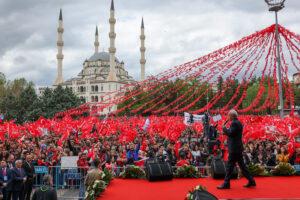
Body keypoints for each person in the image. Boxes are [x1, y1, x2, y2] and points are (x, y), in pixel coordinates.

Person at [217, 110, 256, 189]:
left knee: (230, 166)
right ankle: (251, 181)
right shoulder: (237, 123)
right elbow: (233, 134)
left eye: (228, 116)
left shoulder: (234, 123)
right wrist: (225, 132)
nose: (228, 117)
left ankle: (226, 183)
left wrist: (224, 128)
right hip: (237, 148)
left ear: (232, 116)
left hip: (234, 148)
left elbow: (231, 133)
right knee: (242, 166)